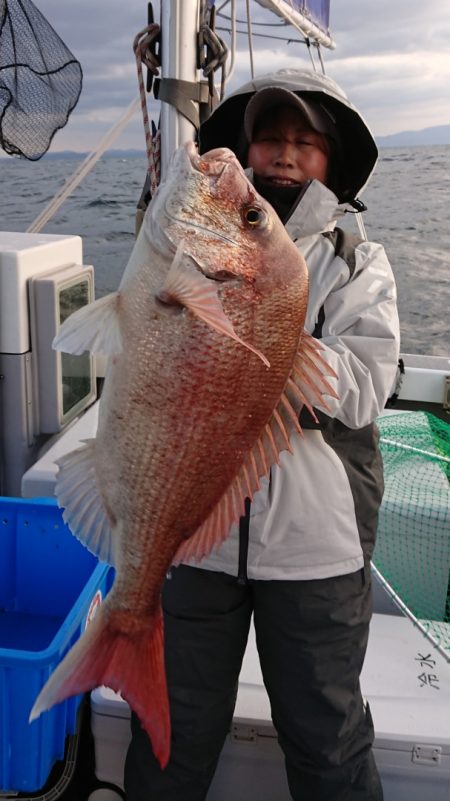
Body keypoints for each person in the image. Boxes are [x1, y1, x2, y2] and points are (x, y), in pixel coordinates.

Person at [124, 68, 400, 801]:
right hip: (198, 539)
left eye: (304, 143)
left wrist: (255, 360)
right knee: (173, 732)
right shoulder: (192, 242)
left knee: (325, 733)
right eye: (270, 138)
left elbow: (369, 380)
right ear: (243, 153)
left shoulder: (357, 259)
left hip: (318, 551)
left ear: (330, 160)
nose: (283, 154)